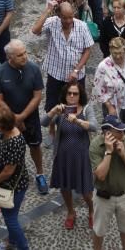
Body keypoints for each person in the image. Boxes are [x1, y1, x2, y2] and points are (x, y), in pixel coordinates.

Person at [43, 79, 96, 230]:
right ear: (65, 95)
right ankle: (71, 212)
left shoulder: (86, 109)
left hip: (81, 156)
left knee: (86, 191)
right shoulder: (61, 110)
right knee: (65, 188)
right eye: (69, 93)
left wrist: (78, 121)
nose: (72, 96)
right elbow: (44, 122)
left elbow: (94, 126)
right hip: (63, 156)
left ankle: (92, 211)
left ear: (80, 95)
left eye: (75, 93)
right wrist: (53, 111)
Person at [89, 113, 125, 250]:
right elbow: (100, 175)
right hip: (103, 196)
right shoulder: (95, 146)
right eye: (118, 131)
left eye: (123, 129)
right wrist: (108, 152)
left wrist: (123, 155)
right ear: (107, 133)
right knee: (99, 231)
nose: (123, 133)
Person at [32, 0, 93, 112]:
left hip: (76, 76)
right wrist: (48, 10)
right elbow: (35, 30)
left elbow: (88, 49)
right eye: (65, 18)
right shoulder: (52, 22)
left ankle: (73, 127)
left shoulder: (82, 26)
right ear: (59, 15)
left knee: (76, 107)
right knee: (52, 106)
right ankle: (52, 129)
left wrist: (76, 70)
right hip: (56, 74)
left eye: (71, 17)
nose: (68, 21)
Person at [0, 105, 31, 250]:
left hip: (14, 186)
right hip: (6, 183)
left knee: (10, 219)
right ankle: (11, 242)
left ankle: (23, 246)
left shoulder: (15, 141)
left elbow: (8, 171)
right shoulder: (1, 133)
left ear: (1, 125)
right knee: (11, 215)